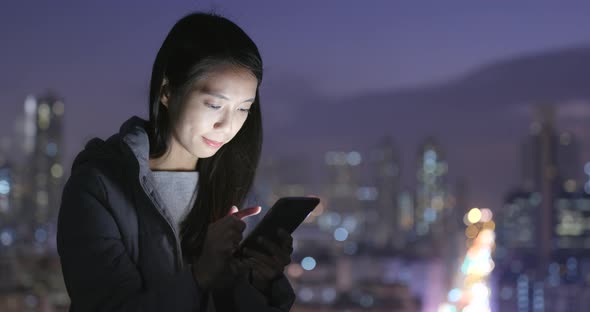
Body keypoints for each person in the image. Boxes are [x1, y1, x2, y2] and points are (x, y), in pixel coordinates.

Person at [57, 12, 296, 311]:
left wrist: (261, 281)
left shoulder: (231, 187)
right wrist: (201, 273)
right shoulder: (99, 187)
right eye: (214, 104)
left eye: (243, 109)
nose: (228, 125)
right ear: (167, 91)